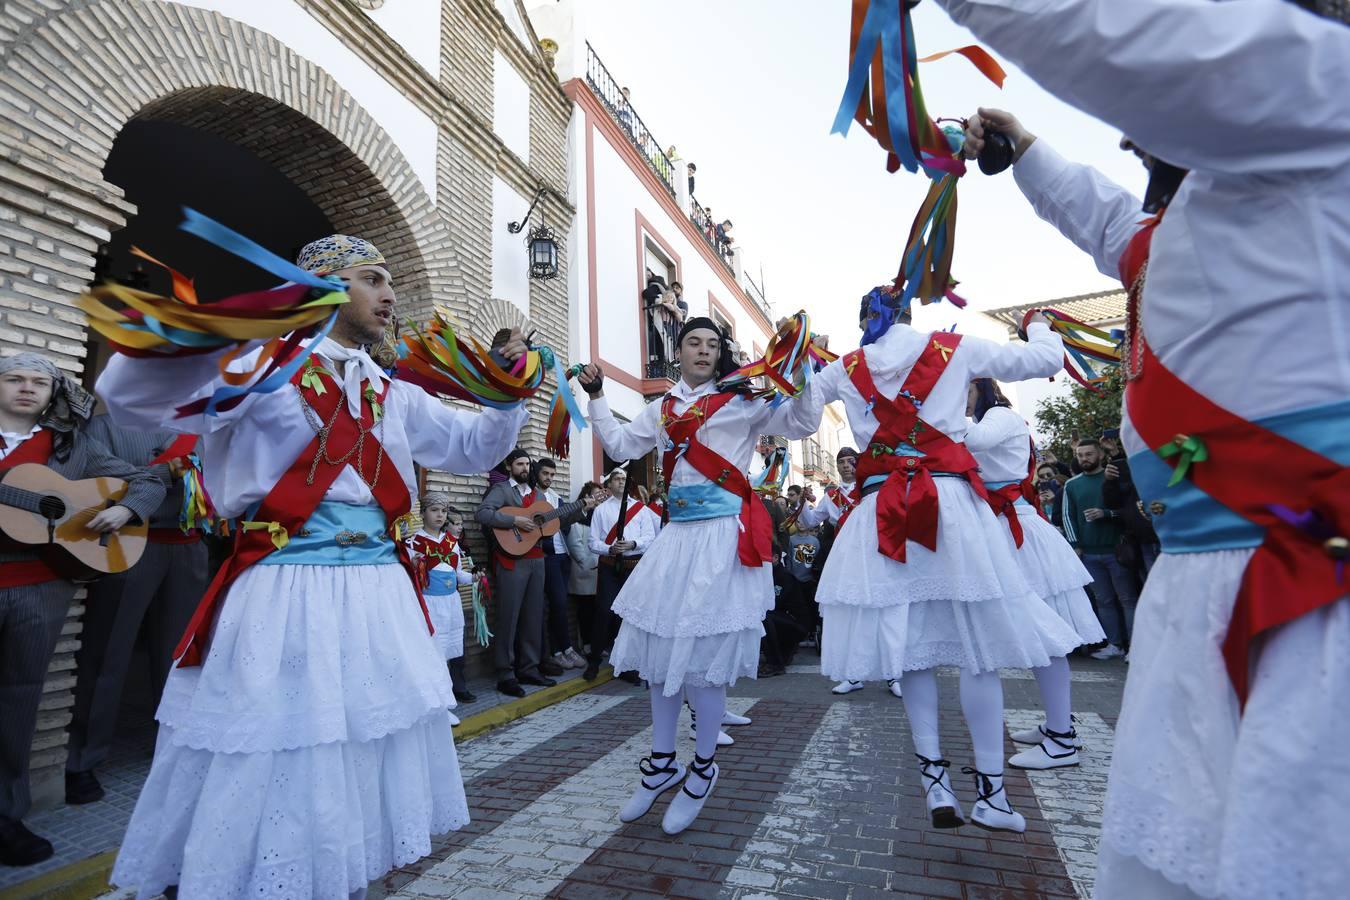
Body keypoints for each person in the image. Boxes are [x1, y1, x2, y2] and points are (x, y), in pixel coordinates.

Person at [945, 3, 1350, 895]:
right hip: (1205, 581)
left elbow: (1132, 53)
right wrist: (1028, 152)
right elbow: (1109, 224)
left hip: (1306, 583)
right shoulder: (1210, 204)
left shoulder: (1323, 93)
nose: (1130, 142)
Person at [98, 234, 528, 898]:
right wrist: (201, 337)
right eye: (372, 278)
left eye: (391, 280)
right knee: (280, 746)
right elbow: (128, 398)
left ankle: (341, 873)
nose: (390, 293)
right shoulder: (261, 367)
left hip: (379, 590)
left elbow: (471, 448)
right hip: (288, 584)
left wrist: (506, 394)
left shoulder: (391, 389)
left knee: (361, 743)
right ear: (326, 288)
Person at [811, 288, 1079, 833]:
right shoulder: (952, 347)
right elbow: (1046, 360)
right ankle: (992, 795)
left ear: (864, 319)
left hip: (882, 508)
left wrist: (790, 364)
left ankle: (936, 783)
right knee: (979, 652)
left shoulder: (844, 367)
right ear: (911, 313)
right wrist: (1037, 322)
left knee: (911, 651)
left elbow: (789, 421)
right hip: (951, 505)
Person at [575, 315, 826, 835]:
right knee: (660, 654)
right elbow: (621, 447)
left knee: (702, 662)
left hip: (720, 539)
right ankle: (663, 762)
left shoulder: (744, 399)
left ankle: (704, 767)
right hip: (678, 538)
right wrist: (597, 395)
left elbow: (801, 424)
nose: (704, 351)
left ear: (721, 353)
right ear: (679, 350)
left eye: (713, 344)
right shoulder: (662, 408)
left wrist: (803, 371)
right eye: (694, 342)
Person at [0, 354, 164, 867]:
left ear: (54, 393)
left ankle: (7, 814)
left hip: (40, 588)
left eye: (39, 381)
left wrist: (125, 509)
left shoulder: (71, 446)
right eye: (14, 379)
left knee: (19, 699)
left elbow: (148, 481)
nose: (27, 388)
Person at [62, 415, 206, 807]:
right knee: (105, 652)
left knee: (180, 656)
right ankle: (81, 759)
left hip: (189, 545)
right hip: (125, 544)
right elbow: (87, 482)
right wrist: (163, 472)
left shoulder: (206, 423)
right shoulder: (103, 427)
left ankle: (176, 747)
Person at [965, 378, 1105, 770]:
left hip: (1018, 533)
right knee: (1042, 638)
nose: (957, 396)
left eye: (963, 389)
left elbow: (974, 441)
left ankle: (1062, 739)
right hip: (1002, 531)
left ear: (982, 389)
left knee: (1047, 637)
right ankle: (1058, 725)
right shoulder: (988, 418)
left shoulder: (1001, 416)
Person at [477, 448, 556, 697]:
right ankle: (505, 673)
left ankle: (529, 668)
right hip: (512, 562)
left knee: (534, 616)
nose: (525, 468)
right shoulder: (501, 490)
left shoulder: (537, 495)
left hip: (537, 561)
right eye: (520, 464)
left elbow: (553, 522)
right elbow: (482, 514)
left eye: (527, 464)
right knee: (509, 617)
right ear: (510, 466)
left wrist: (583, 507)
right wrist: (514, 521)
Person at [1061, 438, 1137, 659]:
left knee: (1127, 599)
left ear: (1100, 455)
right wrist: (1075, 545)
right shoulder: (1071, 484)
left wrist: (1107, 514)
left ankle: (1134, 646)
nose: (1084, 458)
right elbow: (1067, 516)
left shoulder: (1113, 477)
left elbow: (1127, 510)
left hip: (1118, 551)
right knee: (1104, 601)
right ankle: (1114, 644)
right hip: (1089, 553)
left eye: (1089, 454)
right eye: (1080, 455)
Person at [582, 467, 657, 684]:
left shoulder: (640, 510)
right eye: (617, 479)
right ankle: (594, 661)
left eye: (624, 479)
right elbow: (592, 542)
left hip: (633, 566)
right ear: (609, 484)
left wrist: (633, 543)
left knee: (630, 615)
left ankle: (627, 665)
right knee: (604, 612)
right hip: (609, 566)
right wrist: (609, 549)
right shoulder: (601, 510)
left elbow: (650, 537)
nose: (621, 482)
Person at [408, 493, 477, 722]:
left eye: (443, 511)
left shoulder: (452, 543)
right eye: (434, 510)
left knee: (446, 654)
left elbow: (456, 574)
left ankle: (443, 703)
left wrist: (475, 578)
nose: (440, 515)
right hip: (429, 605)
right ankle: (435, 705)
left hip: (451, 603)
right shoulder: (413, 543)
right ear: (423, 513)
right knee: (432, 653)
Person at [532, 457, 592, 672]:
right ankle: (560, 651)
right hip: (545, 556)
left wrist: (585, 507)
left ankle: (563, 650)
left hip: (562, 555)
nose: (548, 478)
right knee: (555, 604)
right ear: (536, 473)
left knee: (560, 605)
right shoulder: (531, 496)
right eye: (545, 473)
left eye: (552, 474)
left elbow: (565, 520)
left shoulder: (556, 498)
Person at [566, 481, 606, 657]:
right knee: (586, 611)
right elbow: (575, 545)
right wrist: (589, 564)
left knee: (599, 611)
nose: (598, 500)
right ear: (586, 497)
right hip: (585, 571)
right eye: (594, 495)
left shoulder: (602, 517)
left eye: (600, 496)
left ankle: (598, 644)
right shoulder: (578, 517)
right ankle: (587, 645)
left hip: (601, 571)